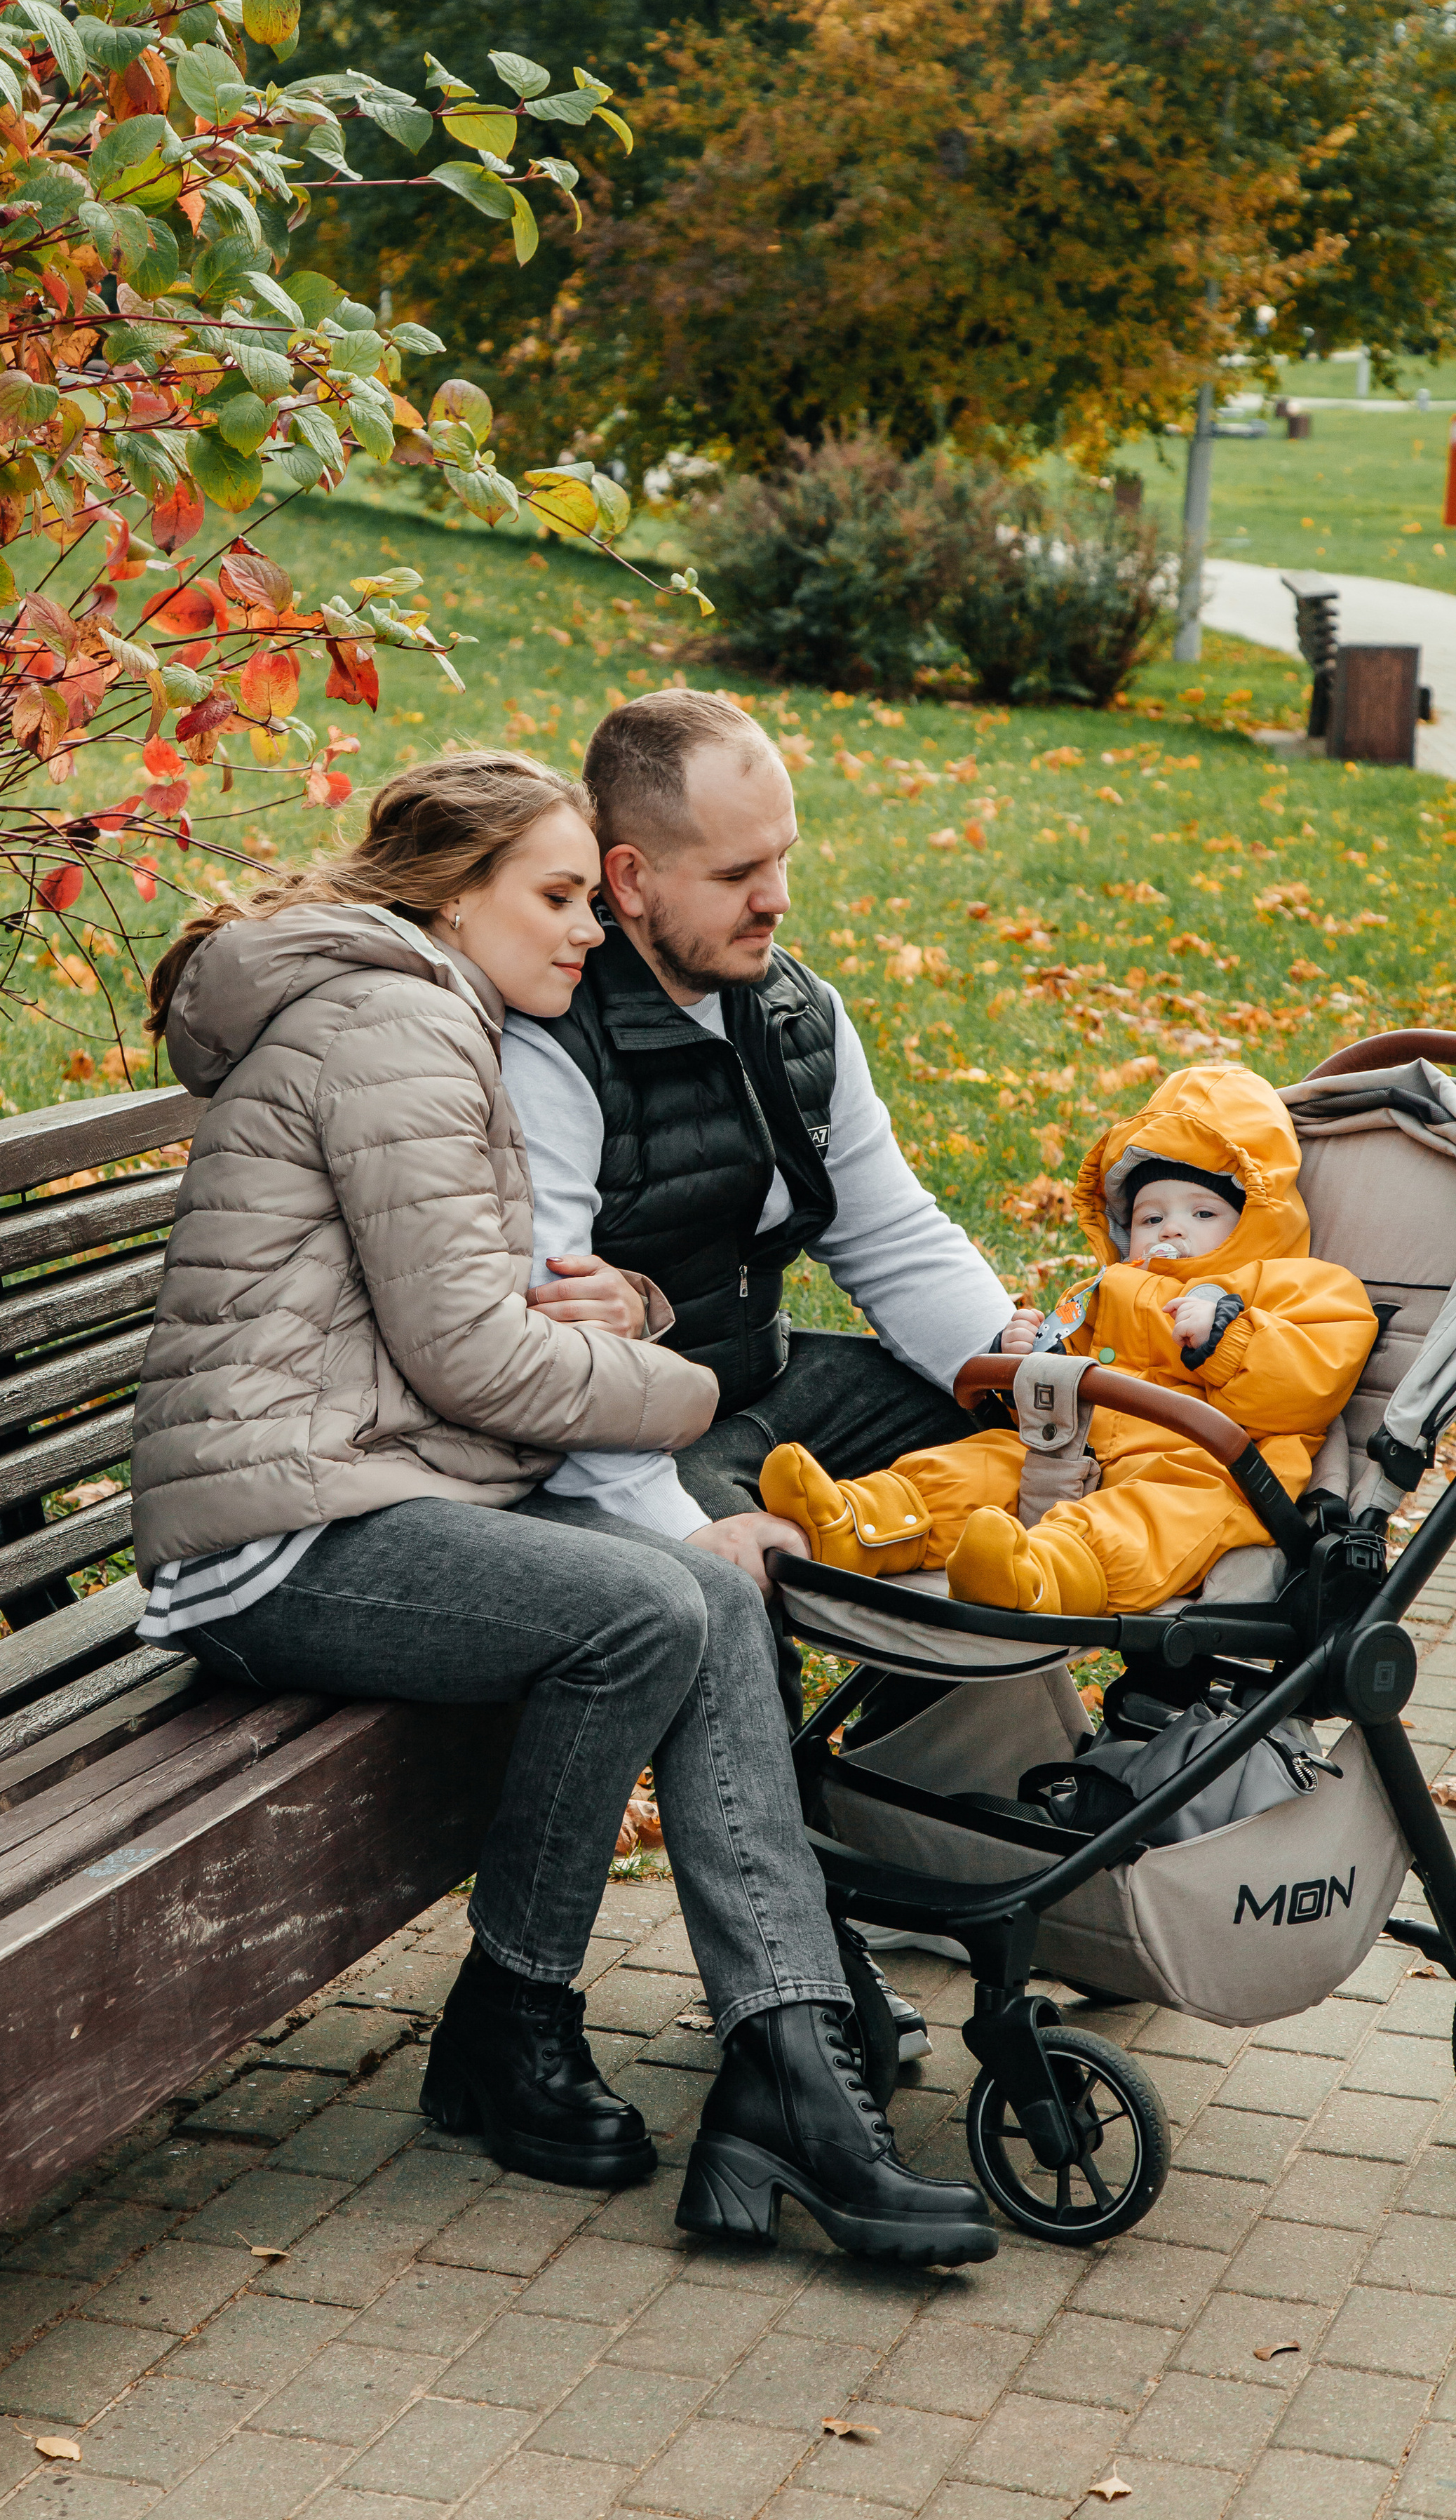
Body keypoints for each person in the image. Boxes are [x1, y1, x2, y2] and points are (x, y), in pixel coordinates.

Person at [132, 749, 996, 2270]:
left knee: (704, 1596)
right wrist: (671, 1380)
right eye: (550, 893)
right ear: (452, 900)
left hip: (374, 1492)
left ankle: (784, 2070)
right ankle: (508, 2017)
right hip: (269, 1539)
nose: (584, 924)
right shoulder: (395, 1024)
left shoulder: (437, 1010)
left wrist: (635, 1308)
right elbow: (471, 1349)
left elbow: (492, 1308)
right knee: (650, 1603)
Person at [496, 688, 1017, 2041]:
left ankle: (909, 1832)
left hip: (768, 1377)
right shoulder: (553, 1045)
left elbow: (891, 1229)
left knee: (1017, 1468)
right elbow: (555, 1357)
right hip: (635, 1437)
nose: (776, 898)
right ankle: (809, 1943)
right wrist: (687, 1534)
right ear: (631, 878)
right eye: (737, 874)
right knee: (742, 1581)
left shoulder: (792, 1009)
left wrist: (1023, 1369)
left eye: (782, 857)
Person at [763, 1063, 1377, 1614]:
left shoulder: (1305, 1287)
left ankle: (1039, 1574)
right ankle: (859, 1520)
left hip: (1201, 1469)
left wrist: (1230, 1338)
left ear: (1256, 1220)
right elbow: (1056, 1387)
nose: (1173, 1230)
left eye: (1203, 1213)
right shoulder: (1104, 1290)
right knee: (977, 1466)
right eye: (1151, 1216)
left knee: (1150, 1521)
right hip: (1073, 1450)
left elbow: (1308, 1386)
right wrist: (1038, 1357)